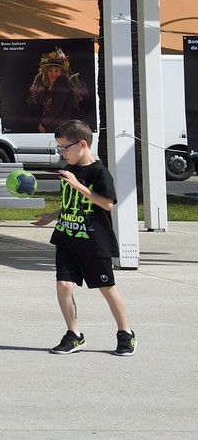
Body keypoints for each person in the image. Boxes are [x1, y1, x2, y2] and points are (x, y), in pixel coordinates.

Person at [37, 120, 136, 356]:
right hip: (67, 238)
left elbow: (107, 203)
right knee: (63, 285)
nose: (61, 153)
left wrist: (77, 184)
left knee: (106, 287)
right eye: (59, 147)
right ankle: (74, 335)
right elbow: (74, 204)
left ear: (82, 144)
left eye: (64, 147)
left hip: (94, 242)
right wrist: (52, 215)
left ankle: (126, 334)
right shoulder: (70, 171)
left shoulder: (99, 172)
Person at [28, 48, 90, 133]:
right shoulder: (47, 88)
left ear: (62, 73)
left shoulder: (62, 80)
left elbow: (57, 107)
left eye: (57, 71)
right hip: (52, 128)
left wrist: (43, 123)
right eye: (50, 71)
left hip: (60, 129)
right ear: (46, 73)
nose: (53, 74)